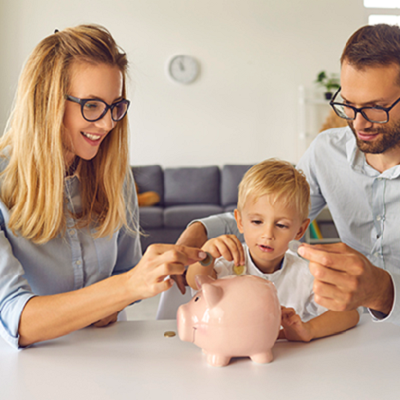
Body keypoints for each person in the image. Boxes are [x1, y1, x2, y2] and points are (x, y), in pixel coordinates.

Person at [175, 24, 400, 326]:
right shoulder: (325, 152)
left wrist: (384, 293)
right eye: (348, 105)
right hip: (350, 331)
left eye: (376, 108)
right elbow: (272, 210)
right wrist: (201, 229)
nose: (358, 123)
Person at [0, 24, 206, 349]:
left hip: (111, 356)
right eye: (92, 105)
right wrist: (125, 289)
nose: (109, 123)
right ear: (46, 102)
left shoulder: (113, 174)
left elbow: (124, 270)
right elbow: (15, 319)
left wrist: (123, 298)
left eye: (115, 106)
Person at [184, 159, 359, 341]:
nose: (267, 234)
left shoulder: (305, 273)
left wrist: (309, 329)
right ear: (240, 221)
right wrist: (207, 256)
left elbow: (350, 313)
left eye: (281, 225)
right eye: (257, 222)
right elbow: (194, 280)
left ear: (299, 230)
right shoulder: (229, 261)